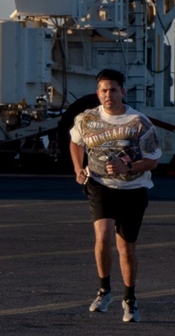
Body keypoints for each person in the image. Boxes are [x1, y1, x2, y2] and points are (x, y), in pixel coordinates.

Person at [69, 68, 161, 322]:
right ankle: (104, 290)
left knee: (126, 247)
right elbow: (75, 142)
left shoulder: (138, 122)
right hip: (100, 184)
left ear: (123, 91)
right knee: (103, 234)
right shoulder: (86, 119)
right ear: (97, 93)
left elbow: (153, 160)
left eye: (113, 90)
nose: (108, 94)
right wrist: (78, 168)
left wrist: (128, 167)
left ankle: (130, 300)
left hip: (133, 189)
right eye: (103, 90)